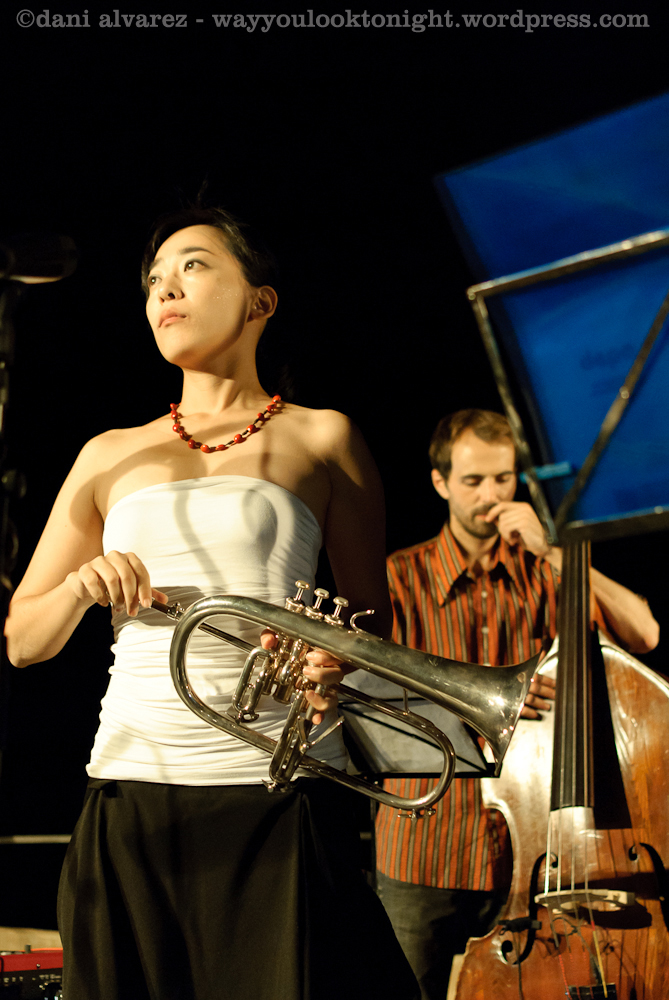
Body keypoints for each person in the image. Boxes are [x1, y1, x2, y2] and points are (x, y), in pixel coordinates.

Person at [3, 206, 419, 1000]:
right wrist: (82, 586)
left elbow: (371, 623)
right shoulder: (107, 452)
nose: (165, 289)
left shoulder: (324, 438)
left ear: (260, 300)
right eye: (154, 280)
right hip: (134, 791)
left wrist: (332, 657)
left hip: (278, 790)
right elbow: (23, 639)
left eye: (192, 266)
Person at [374, 408, 659, 1000]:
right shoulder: (400, 577)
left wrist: (556, 550)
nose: (491, 496)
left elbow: (645, 633)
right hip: (425, 847)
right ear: (440, 482)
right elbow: (368, 699)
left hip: (530, 859)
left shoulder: (545, 573)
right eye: (473, 481)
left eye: (503, 479)